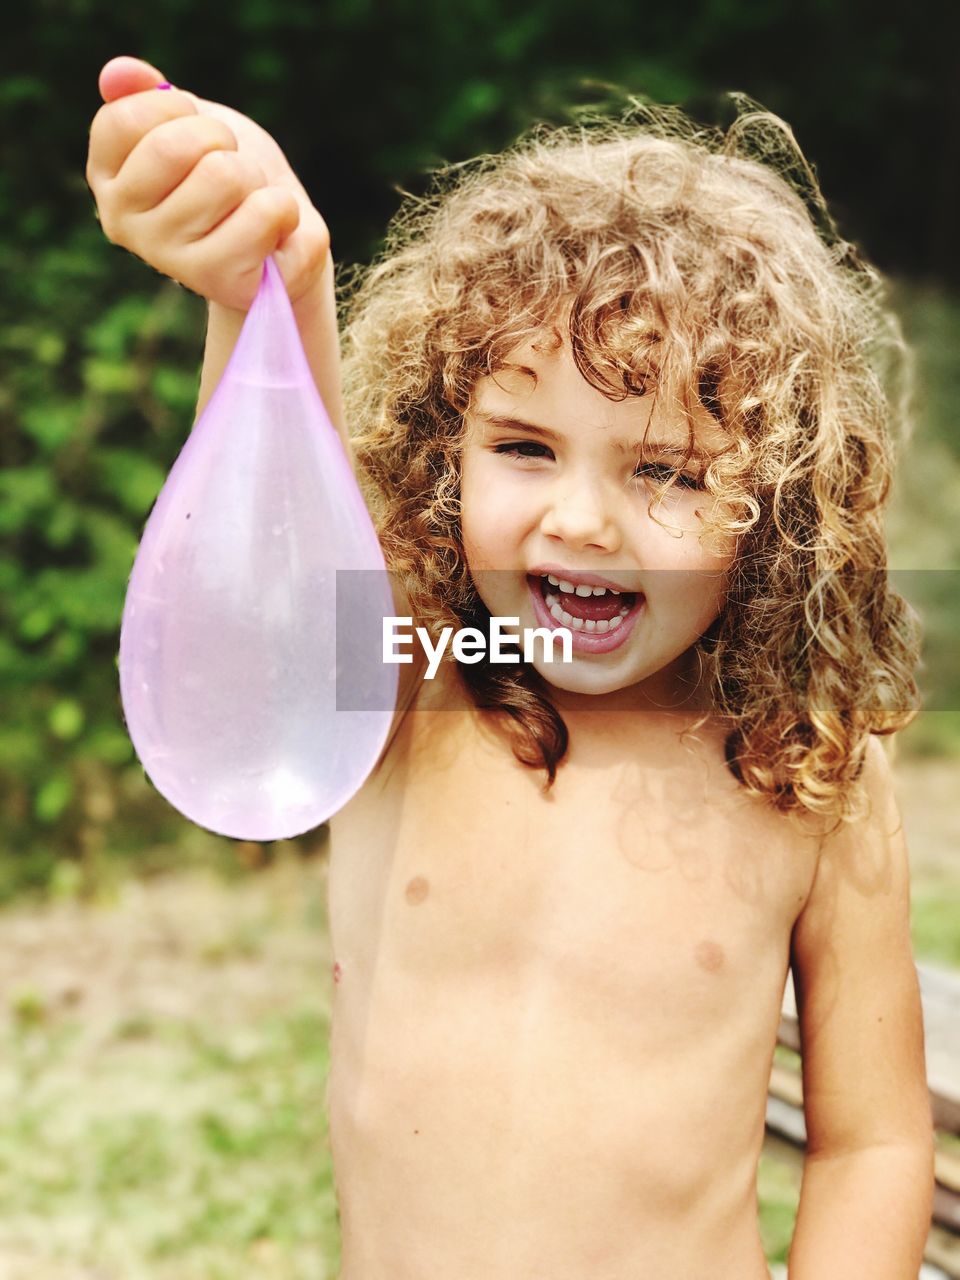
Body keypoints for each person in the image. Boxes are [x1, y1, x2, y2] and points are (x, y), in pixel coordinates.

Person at [86, 55, 936, 1280]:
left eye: (667, 471)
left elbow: (872, 1142)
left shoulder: (806, 769)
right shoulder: (418, 678)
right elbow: (270, 579)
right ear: (448, 450)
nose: (582, 520)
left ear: (776, 510)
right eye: (525, 445)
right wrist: (278, 277)